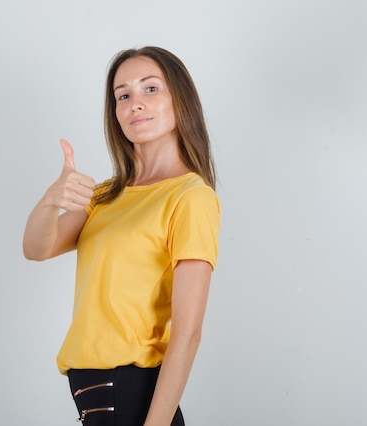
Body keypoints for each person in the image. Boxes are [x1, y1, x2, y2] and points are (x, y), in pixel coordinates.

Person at [23, 46, 220, 426]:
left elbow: (188, 332)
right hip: (96, 394)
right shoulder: (107, 193)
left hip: (133, 394)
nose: (135, 104)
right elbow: (36, 248)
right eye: (123, 96)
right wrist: (52, 200)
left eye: (150, 89)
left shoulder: (190, 196)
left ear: (180, 100)